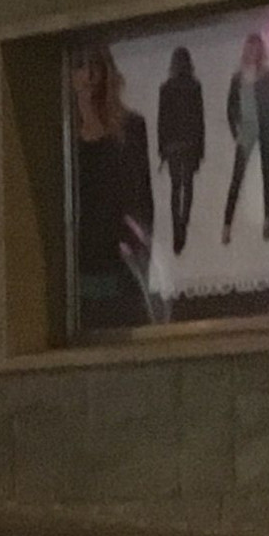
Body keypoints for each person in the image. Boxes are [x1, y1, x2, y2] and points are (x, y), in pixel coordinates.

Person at [67, 46, 154, 333]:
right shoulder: (63, 136)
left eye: (96, 67)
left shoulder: (131, 127)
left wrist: (140, 260)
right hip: (78, 274)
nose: (89, 77)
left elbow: (142, 202)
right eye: (80, 67)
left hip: (122, 270)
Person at [221, 27, 269, 247]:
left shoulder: (266, 75)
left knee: (267, 174)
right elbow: (230, 107)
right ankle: (226, 225)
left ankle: (267, 219)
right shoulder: (237, 77)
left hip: (264, 128)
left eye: (258, 49)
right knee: (237, 177)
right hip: (246, 129)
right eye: (251, 48)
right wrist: (234, 131)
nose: (254, 53)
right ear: (247, 50)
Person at [153, 46, 205, 288]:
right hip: (190, 144)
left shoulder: (166, 89)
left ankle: (178, 229)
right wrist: (201, 149)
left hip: (173, 145)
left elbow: (162, 121)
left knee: (176, 188)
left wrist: (162, 149)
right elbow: (199, 120)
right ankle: (182, 224)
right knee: (188, 186)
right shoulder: (194, 87)